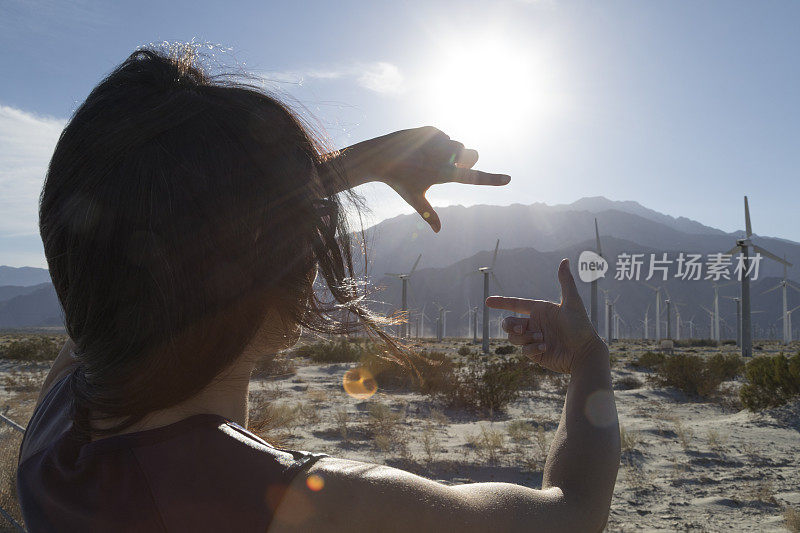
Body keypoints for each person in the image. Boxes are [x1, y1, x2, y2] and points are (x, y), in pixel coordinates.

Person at [18, 45, 620, 532]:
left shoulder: (52, 431)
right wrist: (590, 360)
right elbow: (573, 512)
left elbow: (128, 265)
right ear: (289, 284)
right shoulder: (309, 506)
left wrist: (344, 174)